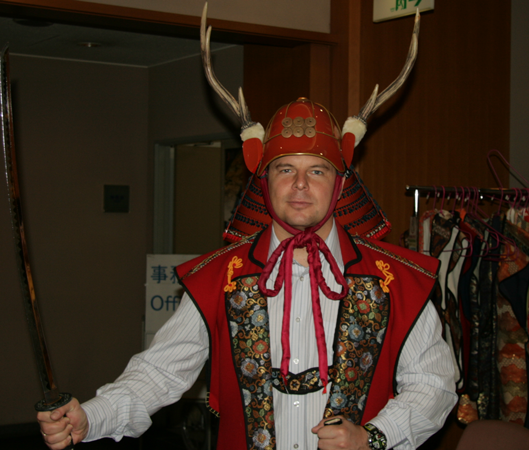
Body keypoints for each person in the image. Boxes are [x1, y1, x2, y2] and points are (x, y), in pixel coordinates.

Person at [38, 7, 457, 450]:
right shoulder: (219, 277)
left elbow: (434, 384)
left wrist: (374, 437)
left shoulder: (396, 280)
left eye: (316, 171)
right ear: (263, 180)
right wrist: (93, 416)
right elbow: (159, 372)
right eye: (285, 169)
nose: (300, 184)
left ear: (340, 184)